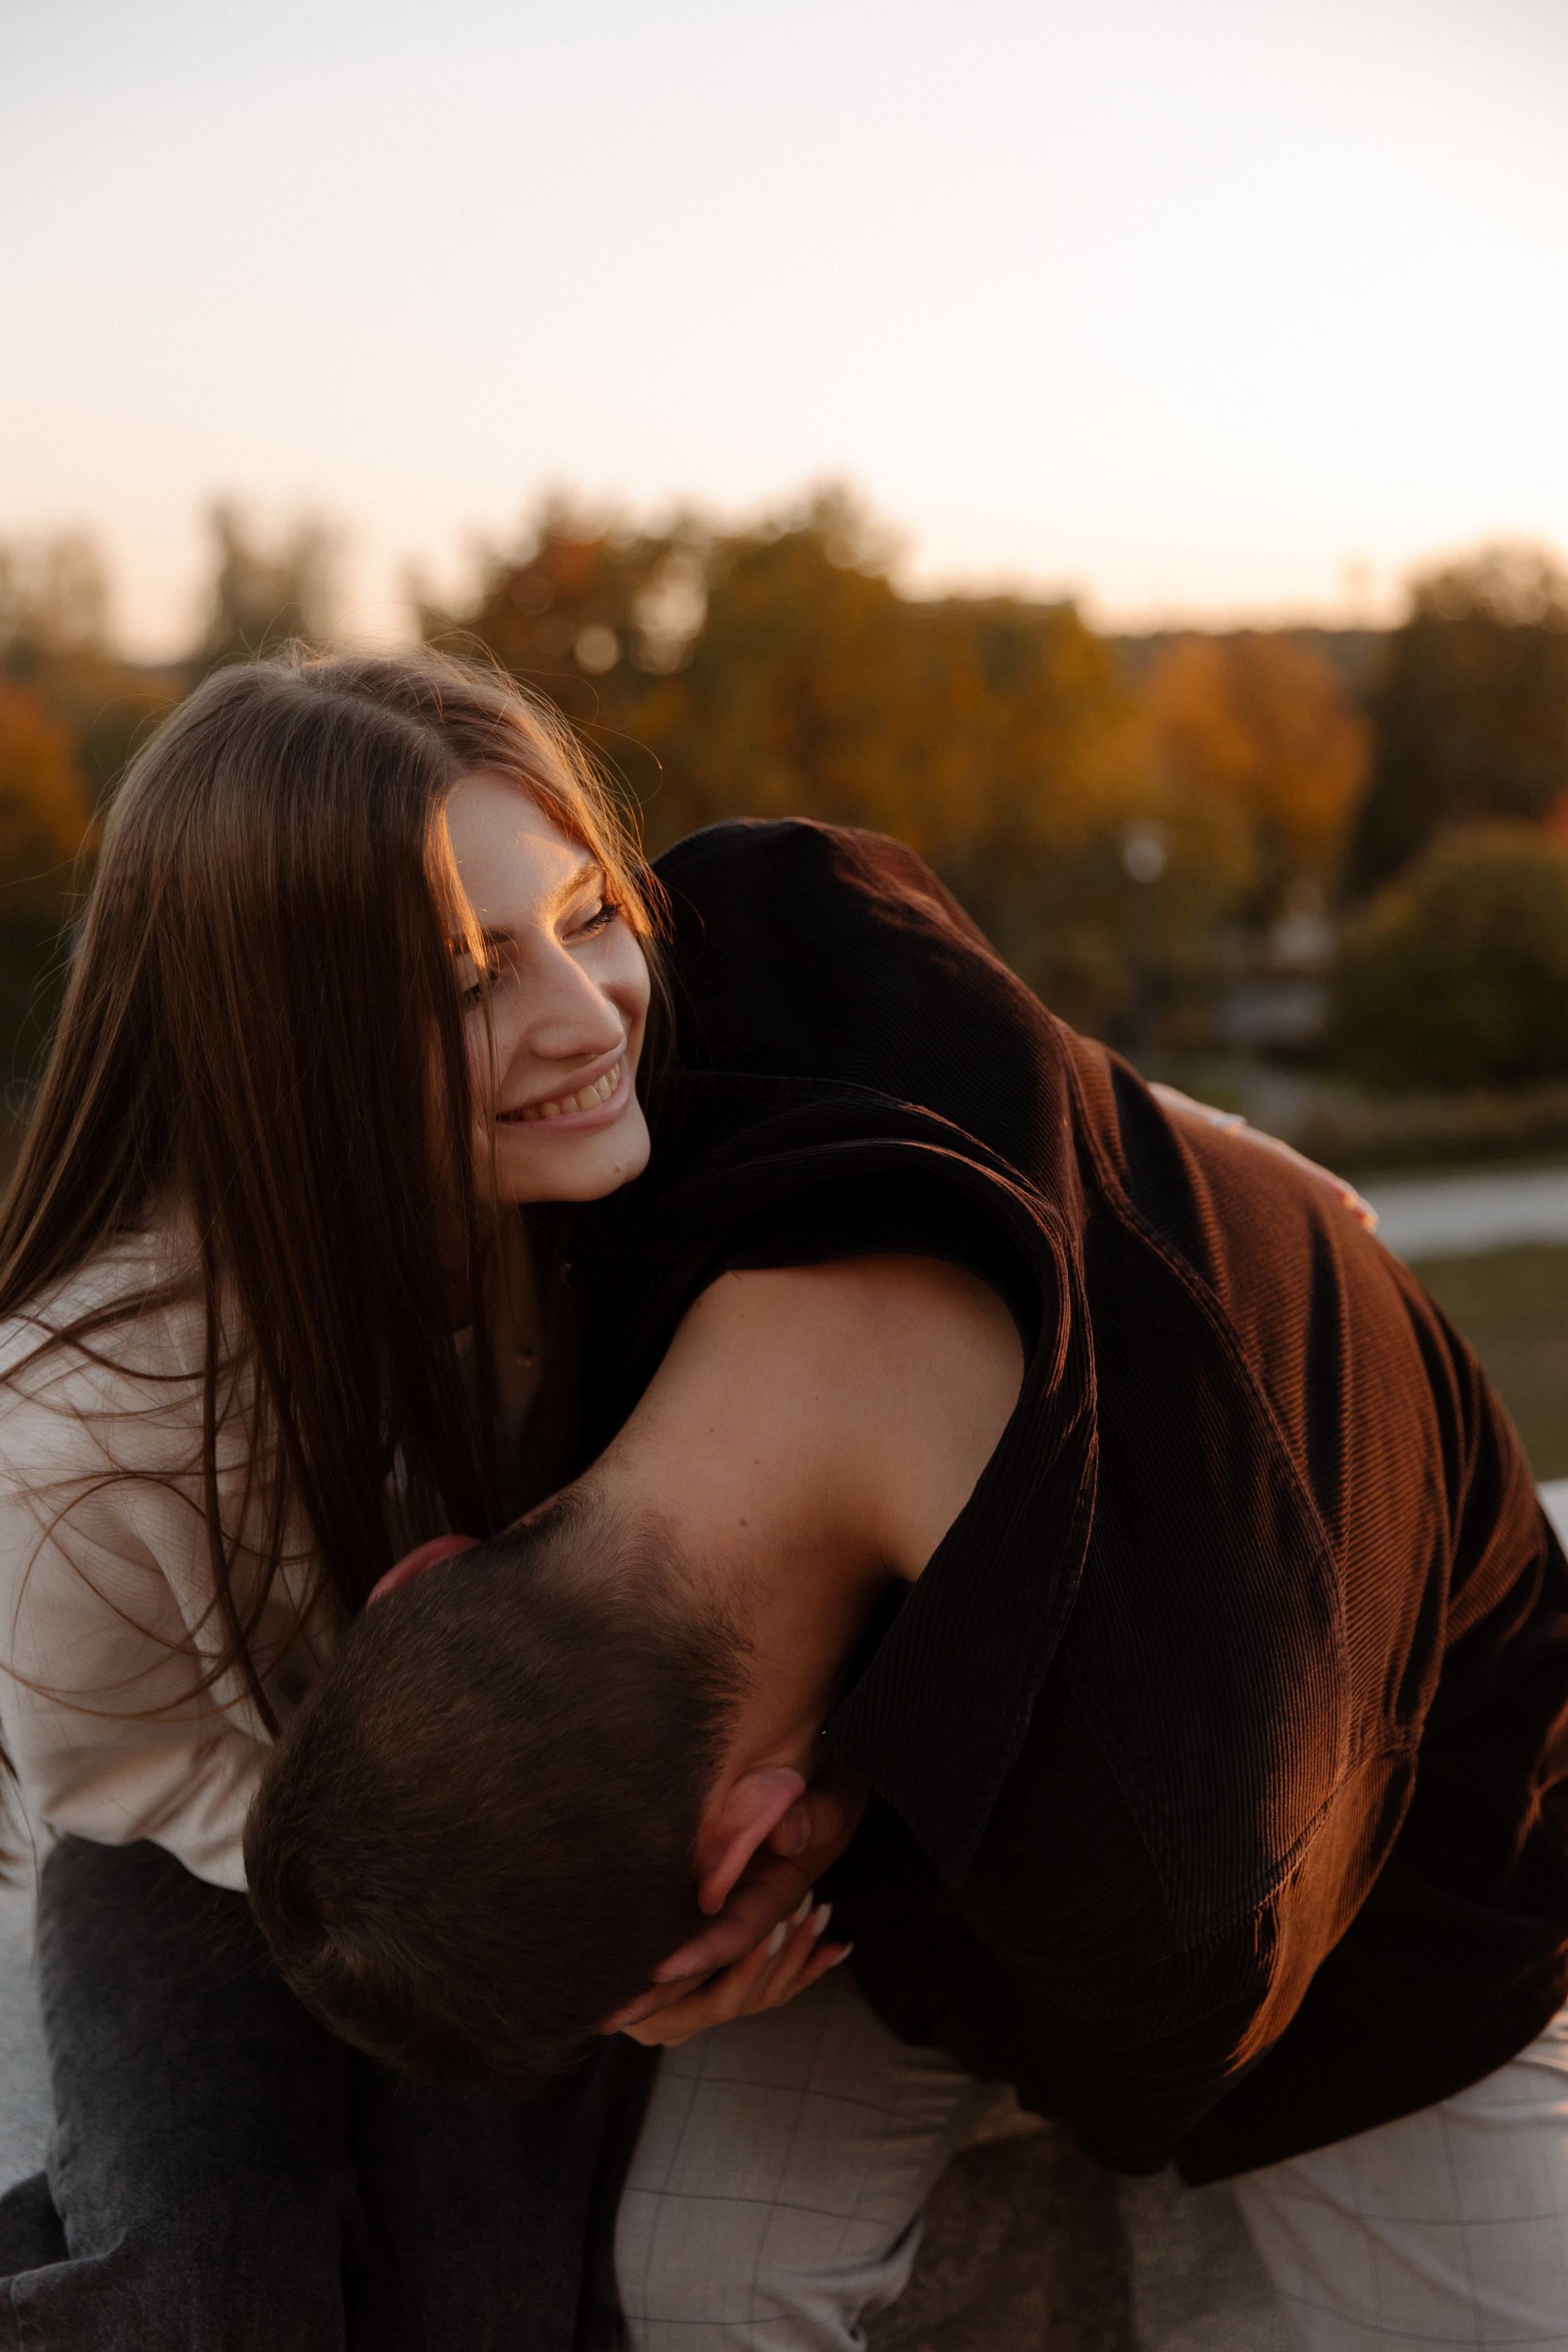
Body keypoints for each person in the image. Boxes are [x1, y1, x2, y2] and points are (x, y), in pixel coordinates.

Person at [249, 817, 1568, 2352]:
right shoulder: (758, 940)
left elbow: (1130, 2065)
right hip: (1131, 1707)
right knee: (712, 2276)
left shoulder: (1164, 1852)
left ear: (750, 1838)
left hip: (1413, 1860)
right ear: (426, 1575)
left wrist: (838, 1838)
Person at [0, 653, 839, 2352]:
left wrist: (617, 1916)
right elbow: (124, 1765)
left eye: (587, 913)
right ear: (274, 1037)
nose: (584, 1015)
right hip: (208, 1838)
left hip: (529, 1813)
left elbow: (973, 1095)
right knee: (210, 2281)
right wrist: (458, 1910)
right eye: (462, 979)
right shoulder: (90, 1428)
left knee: (499, 2298)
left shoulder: (622, 1151)